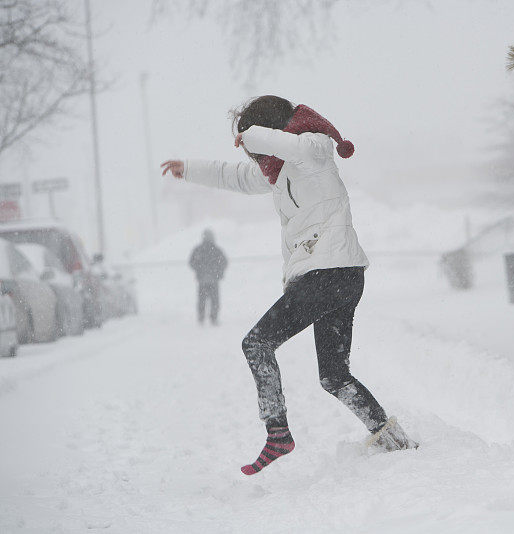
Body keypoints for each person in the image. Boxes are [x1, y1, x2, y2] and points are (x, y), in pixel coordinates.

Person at [161, 95, 416, 476]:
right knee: (334, 376)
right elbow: (234, 177)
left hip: (328, 272)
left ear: (270, 128)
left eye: (252, 138)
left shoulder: (313, 148)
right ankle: (393, 440)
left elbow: (287, 144)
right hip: (337, 276)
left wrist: (252, 135)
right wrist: (190, 169)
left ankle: (278, 433)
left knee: (257, 343)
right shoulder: (279, 171)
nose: (252, 154)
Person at [189, 229, 228, 325]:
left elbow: (191, 262)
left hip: (203, 280)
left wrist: (199, 270)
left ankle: (201, 318)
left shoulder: (198, 250)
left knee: (202, 300)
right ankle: (213, 319)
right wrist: (218, 272)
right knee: (214, 300)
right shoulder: (216, 250)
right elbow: (224, 262)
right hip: (213, 280)